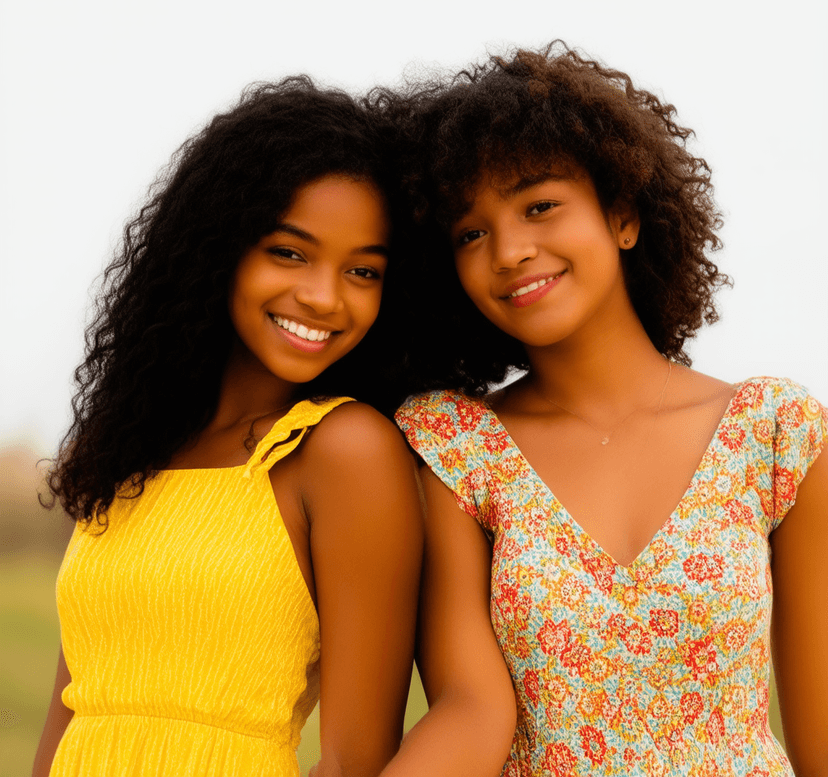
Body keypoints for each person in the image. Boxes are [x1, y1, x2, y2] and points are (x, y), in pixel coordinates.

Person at [392, 44, 828, 776]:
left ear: (623, 216)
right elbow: (468, 711)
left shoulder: (776, 434)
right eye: (471, 233)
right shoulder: (458, 450)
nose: (508, 250)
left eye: (540, 206)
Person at [32, 77, 423, 777]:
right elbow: (73, 710)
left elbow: (357, 761)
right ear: (218, 247)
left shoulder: (343, 451)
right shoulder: (129, 450)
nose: (324, 297)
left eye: (362, 271)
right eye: (289, 252)